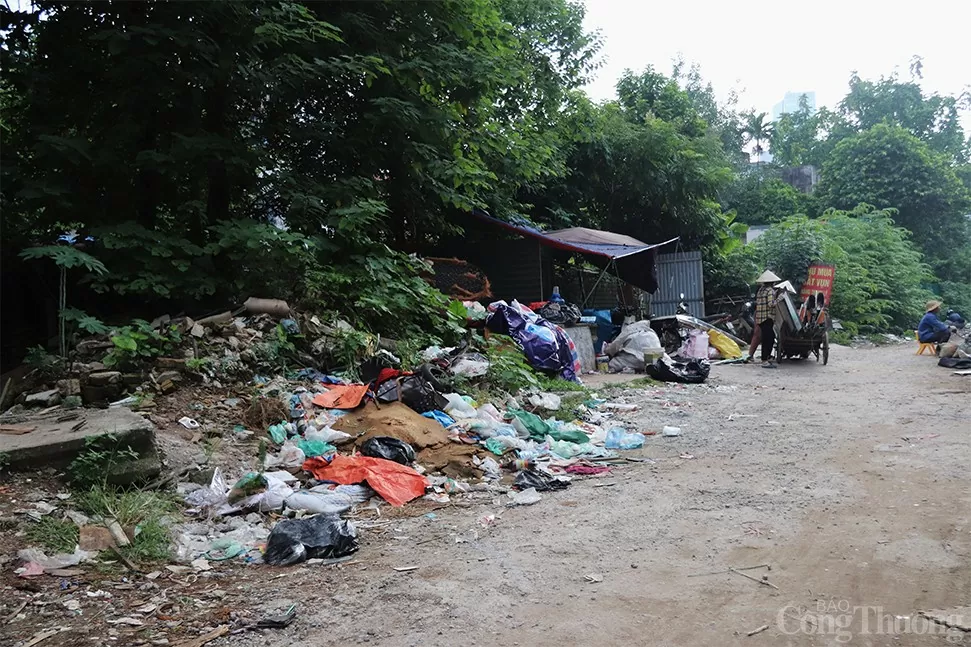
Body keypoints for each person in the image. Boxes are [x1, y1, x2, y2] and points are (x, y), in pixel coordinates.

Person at [748, 270, 782, 368]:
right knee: (769, 339)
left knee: (767, 337)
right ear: (772, 282)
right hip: (768, 317)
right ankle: (764, 360)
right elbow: (771, 304)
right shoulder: (770, 291)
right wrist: (779, 299)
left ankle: (766, 357)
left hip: (760, 317)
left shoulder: (761, 290)